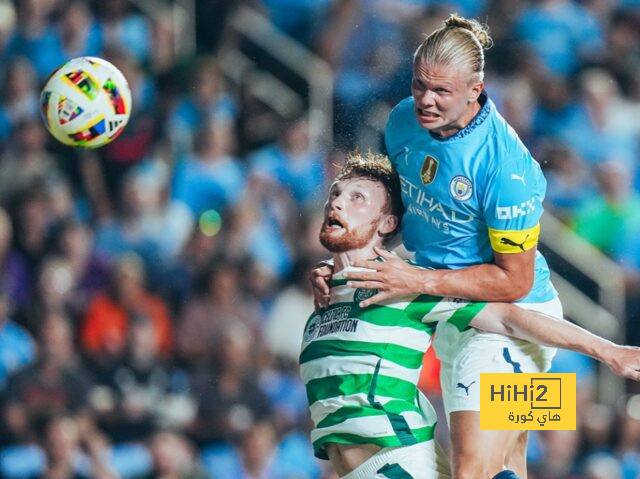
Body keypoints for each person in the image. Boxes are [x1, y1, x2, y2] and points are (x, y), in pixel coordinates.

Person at [310, 14, 563, 478]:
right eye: (419, 84)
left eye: (441, 91)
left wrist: (417, 278)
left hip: (516, 321)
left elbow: (516, 279)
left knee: (471, 472)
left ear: (475, 88)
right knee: (510, 465)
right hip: (453, 312)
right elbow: (404, 215)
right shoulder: (403, 120)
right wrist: (346, 262)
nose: (425, 100)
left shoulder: (507, 170)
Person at [303, 152, 640, 479]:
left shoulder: (405, 279)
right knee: (508, 458)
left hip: (521, 313)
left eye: (356, 197)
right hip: (484, 333)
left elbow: (508, 317)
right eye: (335, 193)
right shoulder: (335, 285)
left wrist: (610, 351)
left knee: (486, 465)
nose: (336, 202)